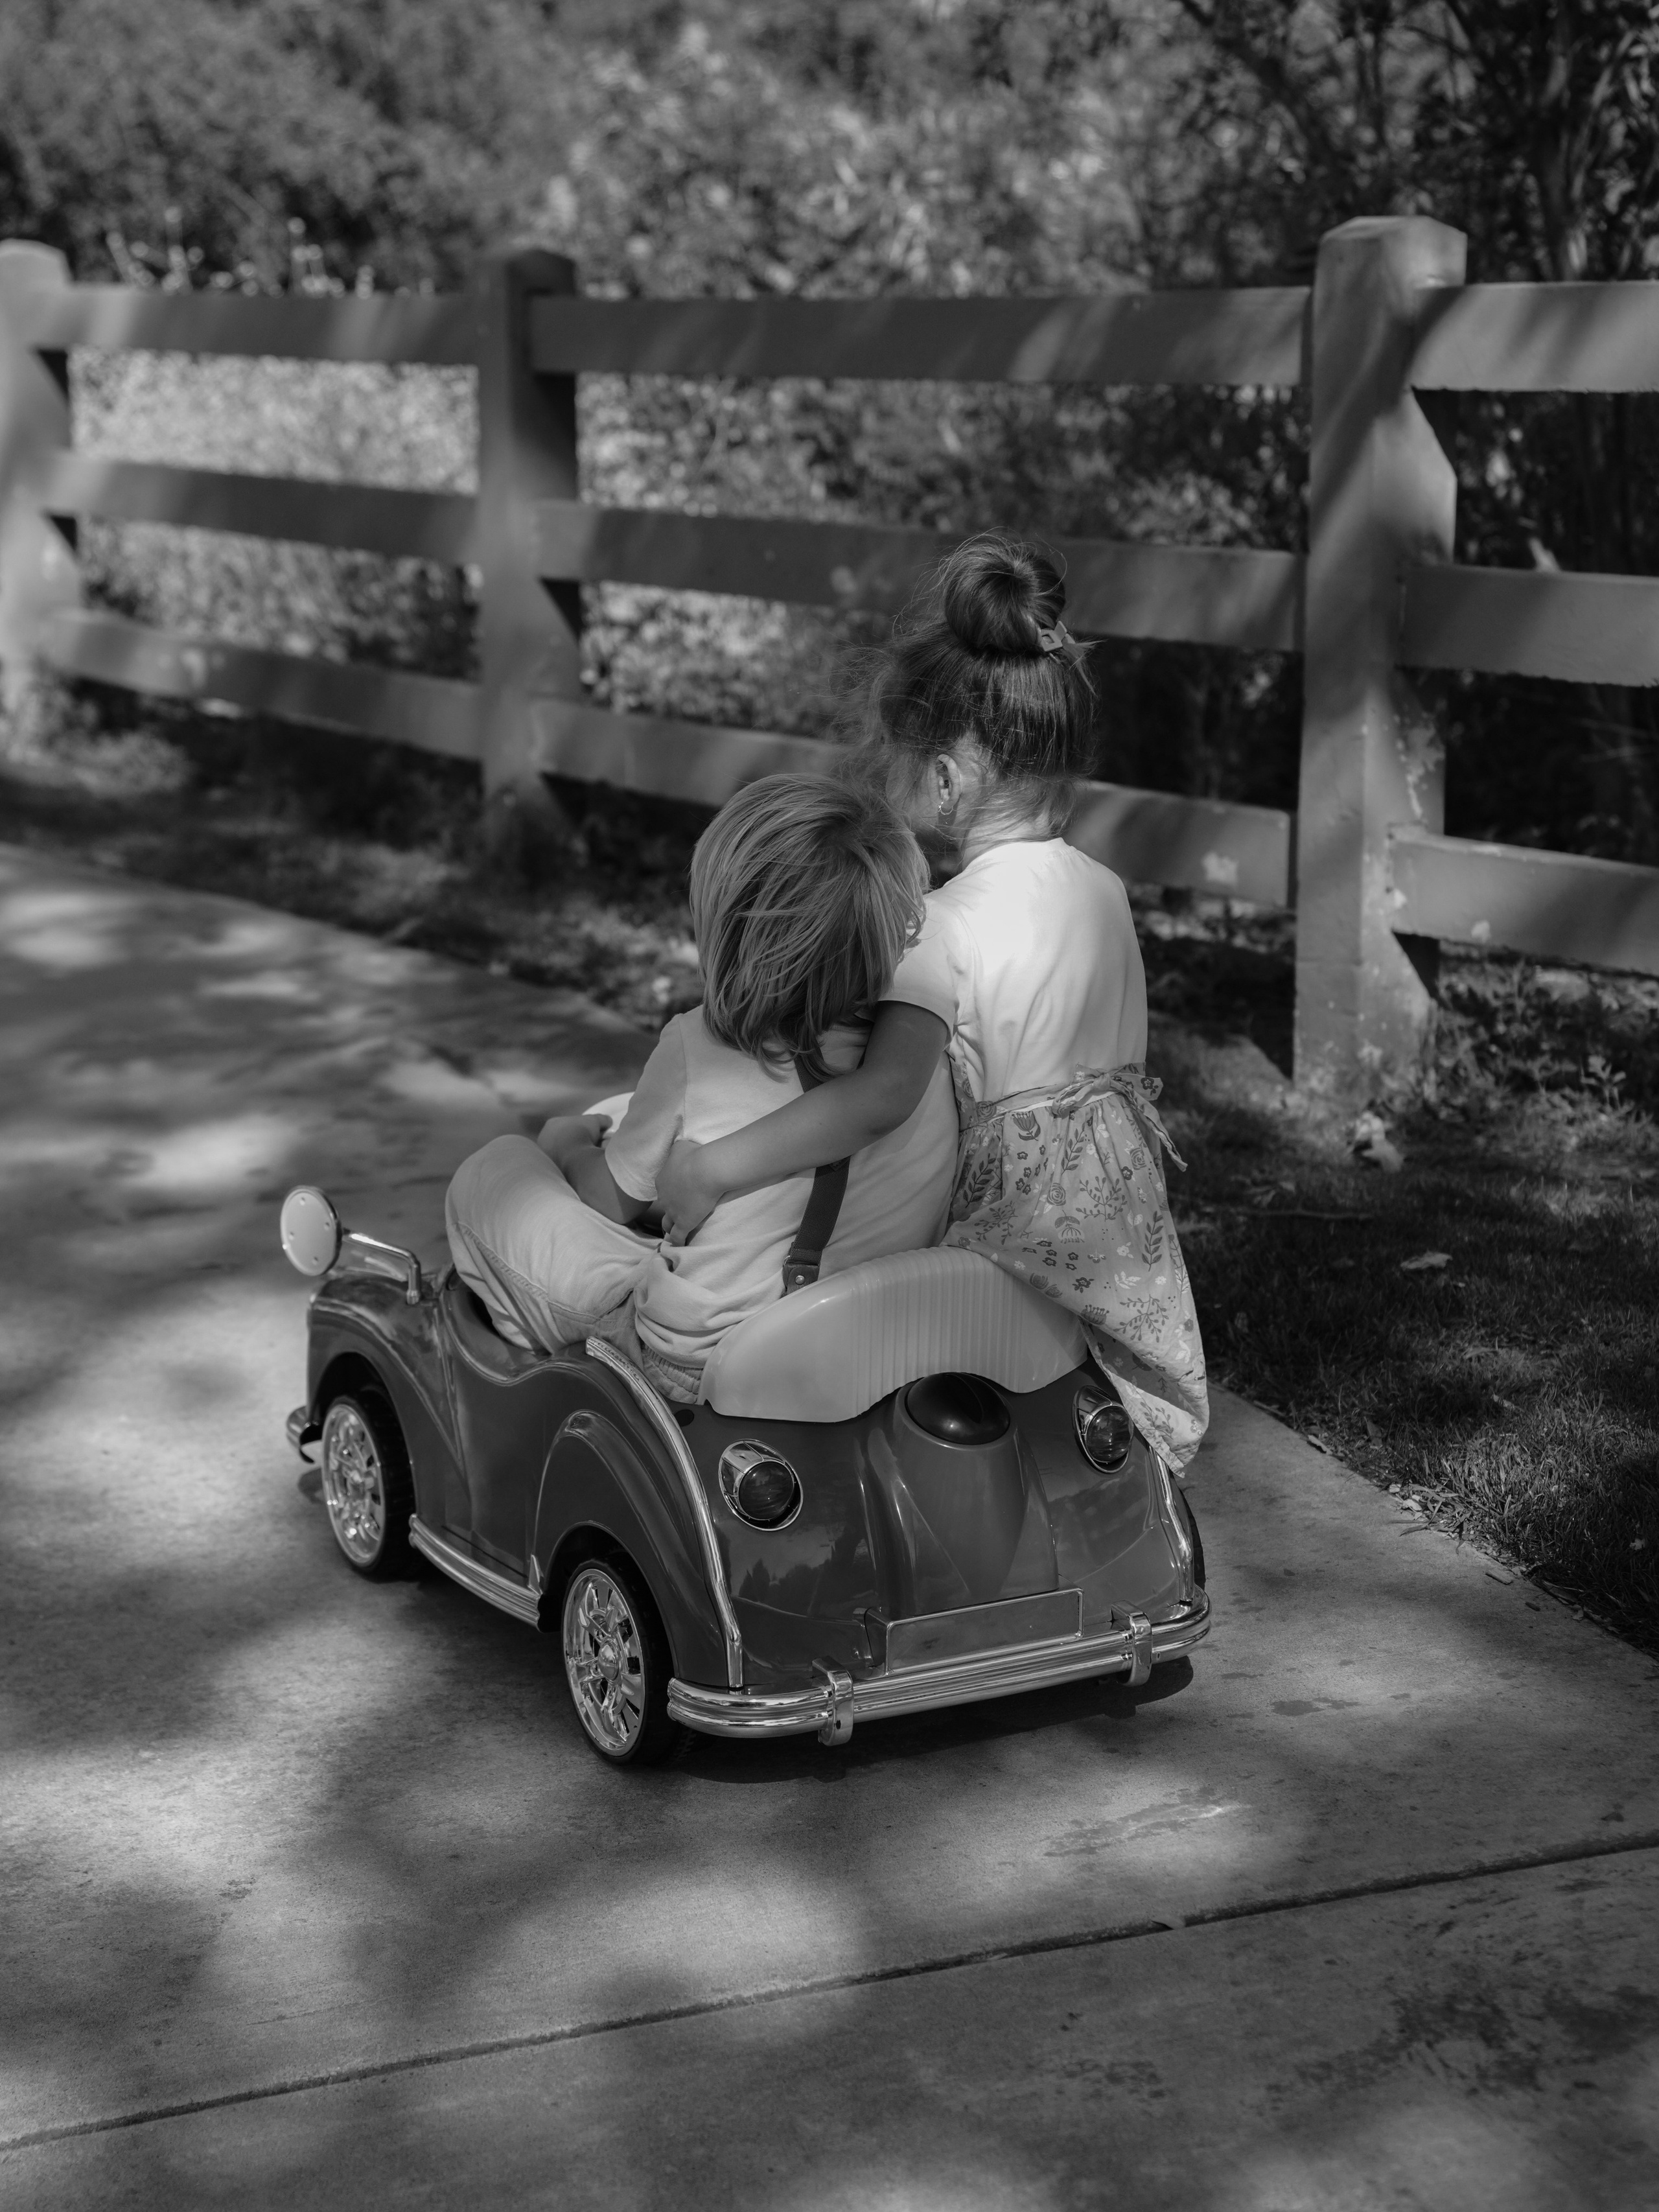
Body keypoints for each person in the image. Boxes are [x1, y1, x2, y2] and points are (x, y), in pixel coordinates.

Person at [658, 535, 1209, 1465]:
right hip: (1117, 1226)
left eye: (897, 759)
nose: (883, 777)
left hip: (1007, 1227)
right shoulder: (1107, 892)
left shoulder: (937, 924)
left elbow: (879, 1096)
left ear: (947, 781)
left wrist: (716, 1168)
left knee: (922, 1355)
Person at [444, 772, 958, 1404]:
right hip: (852, 1343)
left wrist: (570, 1144)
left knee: (493, 1171)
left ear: (729, 931)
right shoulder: (918, 1061)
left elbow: (610, 1200)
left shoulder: (696, 1046)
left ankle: (552, 1365)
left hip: (688, 1360)